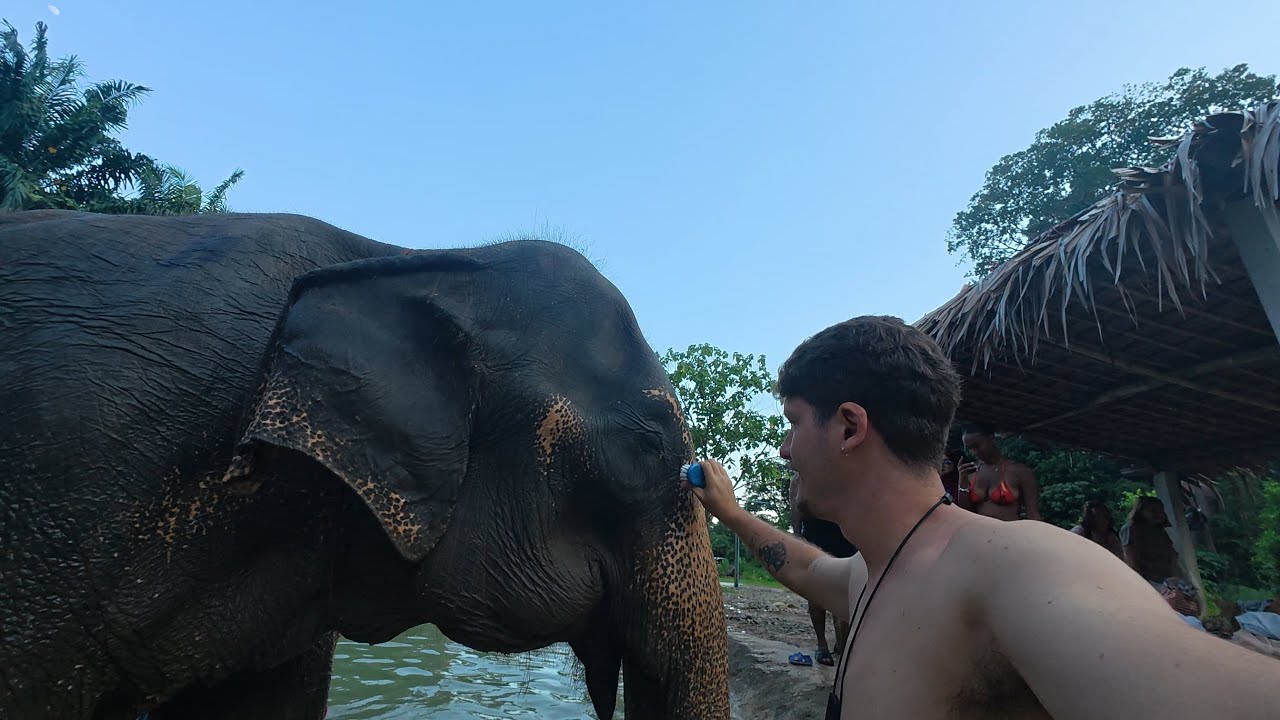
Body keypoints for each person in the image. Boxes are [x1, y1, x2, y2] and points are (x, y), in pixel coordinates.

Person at [684, 315, 1277, 719]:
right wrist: (731, 514)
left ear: (848, 427)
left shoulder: (1017, 567)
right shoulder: (873, 574)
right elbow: (811, 571)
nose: (784, 450)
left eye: (791, 422)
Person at [789, 470, 855, 666]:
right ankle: (822, 644)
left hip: (844, 536)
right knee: (816, 593)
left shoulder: (847, 471)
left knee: (843, 591)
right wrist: (797, 537)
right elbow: (796, 508)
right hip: (816, 535)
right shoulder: (801, 477)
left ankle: (843, 646)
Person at [957, 422, 1041, 521]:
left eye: (977, 446)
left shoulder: (1019, 471)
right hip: (979, 533)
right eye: (970, 448)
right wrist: (962, 482)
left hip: (1009, 534)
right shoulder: (971, 471)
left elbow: (1033, 514)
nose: (974, 452)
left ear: (991, 439)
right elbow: (964, 513)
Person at [1120, 496, 1182, 587]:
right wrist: (1141, 583)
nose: (1159, 514)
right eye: (1153, 511)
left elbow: (1171, 552)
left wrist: (1175, 576)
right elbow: (1131, 560)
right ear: (1140, 511)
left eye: (1160, 511)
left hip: (1168, 579)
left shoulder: (1158, 528)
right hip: (1149, 581)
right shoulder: (1131, 528)